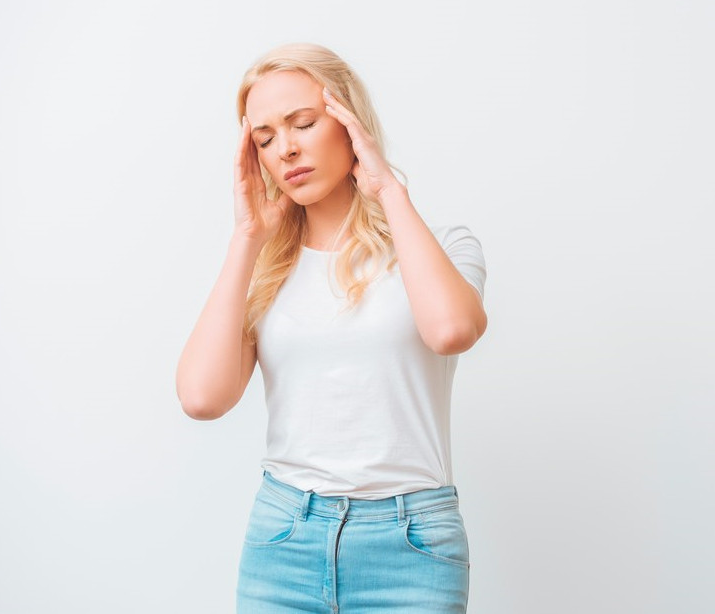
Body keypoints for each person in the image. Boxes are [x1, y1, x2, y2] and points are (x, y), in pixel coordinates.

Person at [175, 42, 487, 613]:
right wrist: (246, 238)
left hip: (412, 546)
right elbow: (201, 398)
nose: (286, 148)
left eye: (303, 123)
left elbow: (452, 331)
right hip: (283, 541)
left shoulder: (441, 247)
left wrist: (387, 189)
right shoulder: (264, 269)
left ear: (349, 122)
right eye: (265, 138)